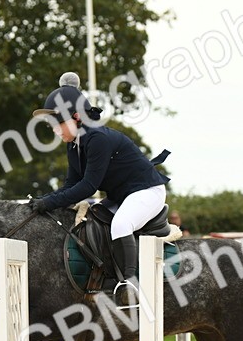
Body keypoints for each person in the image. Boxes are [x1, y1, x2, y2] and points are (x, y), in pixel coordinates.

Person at [30, 72, 170, 309]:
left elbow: (88, 187)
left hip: (147, 191)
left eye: (58, 124)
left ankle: (130, 285)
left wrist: (50, 202)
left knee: (120, 225)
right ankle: (104, 277)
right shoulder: (74, 145)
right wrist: (45, 200)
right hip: (122, 196)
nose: (55, 131)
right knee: (92, 222)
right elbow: (70, 185)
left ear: (76, 118)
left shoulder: (97, 139)